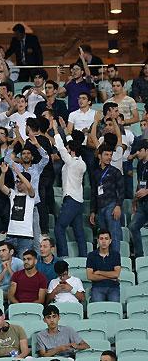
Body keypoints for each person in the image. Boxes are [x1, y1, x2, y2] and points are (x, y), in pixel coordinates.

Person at [52, 119, 87, 257]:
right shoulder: (80, 162)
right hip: (77, 201)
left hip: (71, 200)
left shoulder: (71, 163)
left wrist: (56, 130)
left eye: (68, 149)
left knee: (59, 228)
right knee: (79, 232)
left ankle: (64, 256)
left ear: (71, 151)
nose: (66, 150)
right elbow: (71, 144)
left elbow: (61, 148)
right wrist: (66, 130)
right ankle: (84, 258)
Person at [90, 145, 124, 253]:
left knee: (114, 236)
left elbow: (121, 190)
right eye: (106, 154)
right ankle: (105, 260)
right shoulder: (95, 173)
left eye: (110, 155)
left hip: (112, 206)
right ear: (100, 156)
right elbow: (93, 193)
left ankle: (116, 261)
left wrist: (118, 205)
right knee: (103, 238)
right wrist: (93, 211)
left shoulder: (115, 171)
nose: (109, 157)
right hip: (100, 209)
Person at [0, 162, 36, 255]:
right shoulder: (13, 194)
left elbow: (29, 186)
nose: (18, 184)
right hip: (11, 234)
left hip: (25, 236)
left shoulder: (31, 196)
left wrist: (18, 172)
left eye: (20, 182)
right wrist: (3, 173)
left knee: (23, 262)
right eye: (17, 182)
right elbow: (0, 186)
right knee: (7, 261)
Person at [86, 229, 121, 302]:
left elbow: (116, 274)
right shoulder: (91, 255)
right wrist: (110, 278)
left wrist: (99, 272)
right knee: (97, 307)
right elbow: (90, 276)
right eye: (101, 239)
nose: (104, 241)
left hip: (113, 287)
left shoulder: (116, 255)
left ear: (110, 241)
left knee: (114, 307)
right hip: (97, 287)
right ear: (98, 241)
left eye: (106, 239)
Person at [131, 140, 148, 256]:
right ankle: (139, 257)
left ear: (147, 150)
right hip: (142, 203)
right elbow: (139, 183)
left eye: (140, 150)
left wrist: (147, 191)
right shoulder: (140, 164)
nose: (137, 153)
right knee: (133, 227)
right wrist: (134, 201)